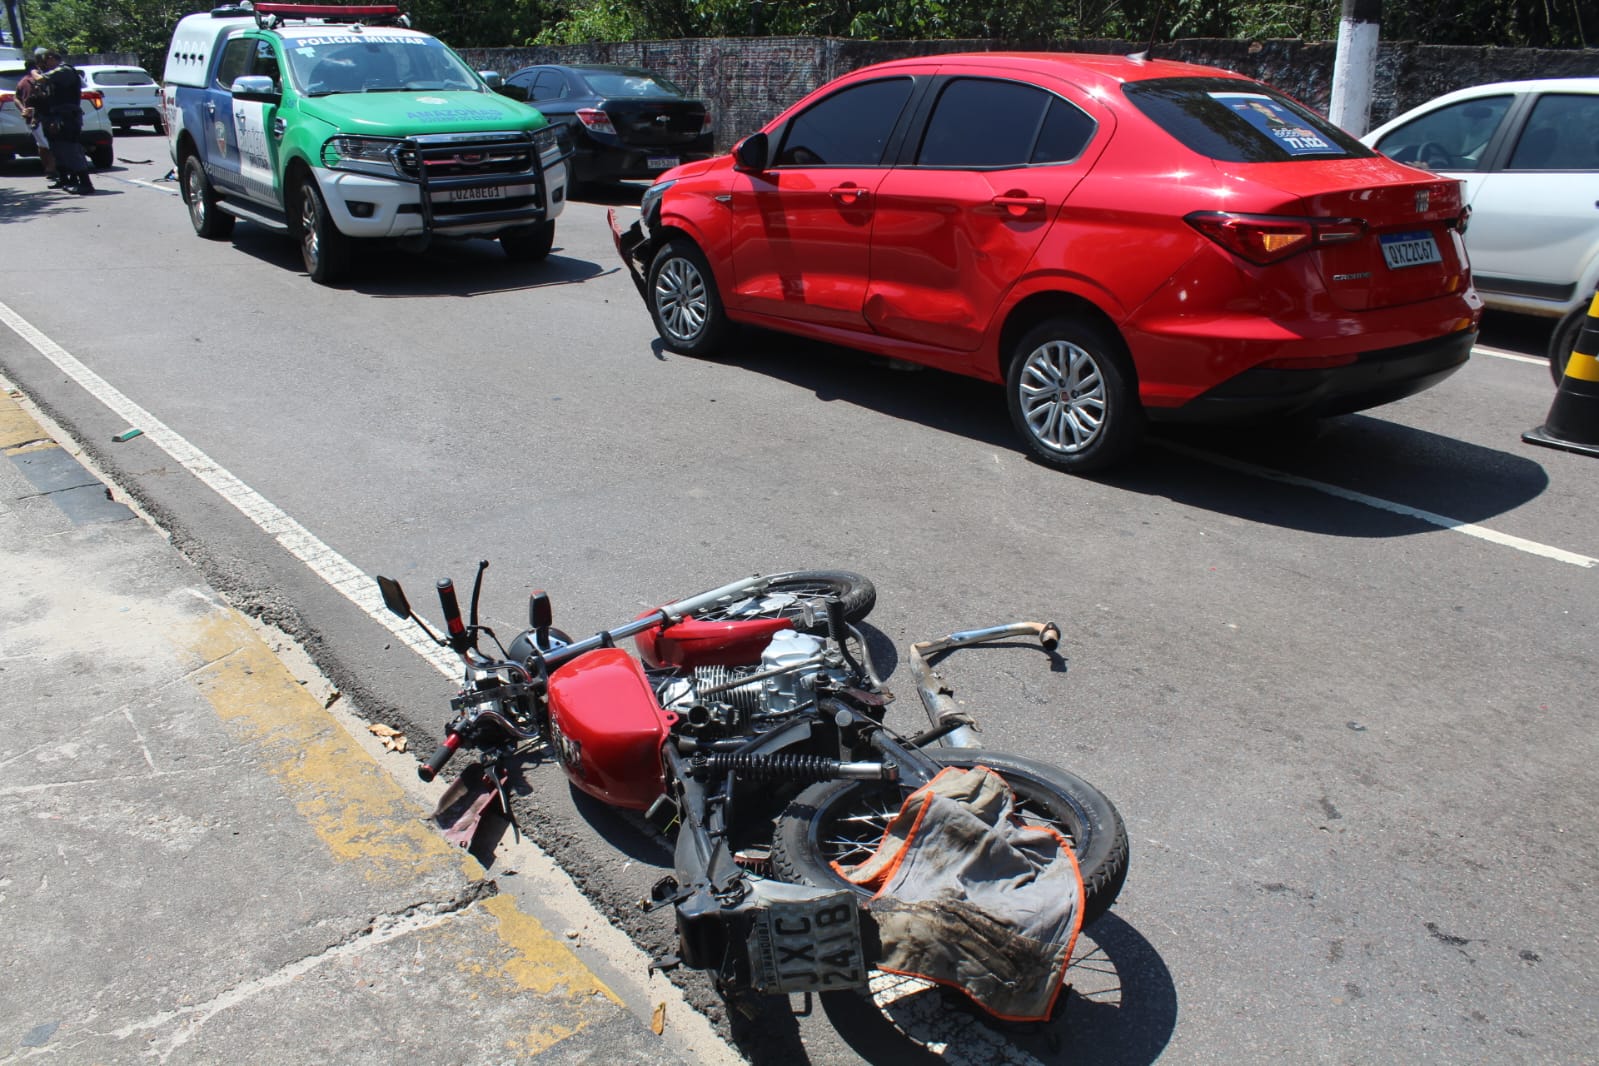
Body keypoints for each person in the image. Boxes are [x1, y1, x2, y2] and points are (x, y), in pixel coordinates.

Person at [32, 48, 94, 195]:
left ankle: (86, 183)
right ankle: (69, 179)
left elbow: (41, 79)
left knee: (70, 149)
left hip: (68, 117)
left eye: (45, 62)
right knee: (59, 149)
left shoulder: (64, 71)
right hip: (59, 116)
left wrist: (33, 72)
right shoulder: (57, 75)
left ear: (52, 58)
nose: (45, 66)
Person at [14, 54, 60, 186]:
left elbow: (16, 97)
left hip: (33, 120)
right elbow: (35, 99)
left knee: (42, 144)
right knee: (48, 144)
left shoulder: (22, 82)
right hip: (40, 118)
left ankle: (49, 169)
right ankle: (52, 168)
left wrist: (23, 108)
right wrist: (25, 109)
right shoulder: (35, 81)